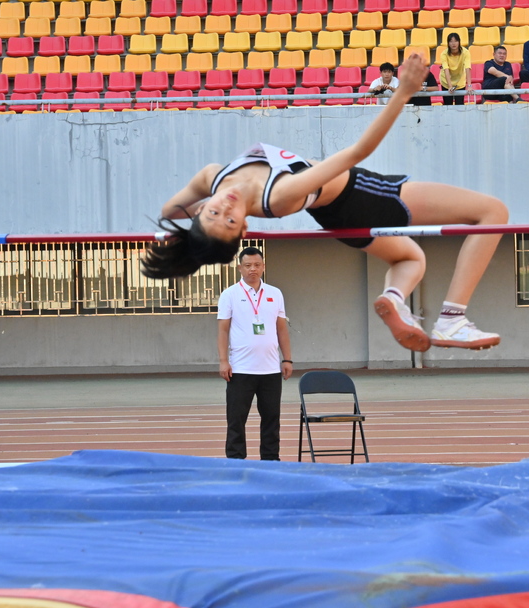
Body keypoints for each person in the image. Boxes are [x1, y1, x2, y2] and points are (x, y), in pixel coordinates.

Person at [141, 53, 506, 353]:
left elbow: (169, 213)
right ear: (245, 227)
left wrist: (185, 236)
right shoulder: (279, 195)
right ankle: (452, 319)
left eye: (215, 212)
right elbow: (358, 152)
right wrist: (404, 92)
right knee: (492, 211)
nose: (228, 206)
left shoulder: (210, 177)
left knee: (411, 257)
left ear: (202, 207)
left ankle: (395, 297)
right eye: (232, 220)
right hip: (365, 195)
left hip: (337, 218)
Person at [217, 246, 292, 461]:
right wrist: (224, 361)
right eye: (248, 265)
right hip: (240, 369)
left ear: (263, 267)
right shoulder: (230, 295)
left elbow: (281, 329)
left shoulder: (275, 293)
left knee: (271, 420)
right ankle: (235, 463)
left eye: (257, 265)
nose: (253, 269)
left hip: (270, 369)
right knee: (236, 421)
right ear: (239, 267)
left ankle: (270, 462)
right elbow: (223, 330)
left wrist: (286, 358)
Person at [438, 33, 471, 106]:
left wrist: (469, 85)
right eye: (451, 41)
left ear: (459, 42)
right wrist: (450, 86)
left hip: (460, 81)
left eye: (456, 41)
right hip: (446, 82)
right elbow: (446, 69)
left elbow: (467, 68)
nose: (453, 43)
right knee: (447, 105)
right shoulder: (444, 54)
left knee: (459, 105)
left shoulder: (465, 52)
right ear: (448, 43)